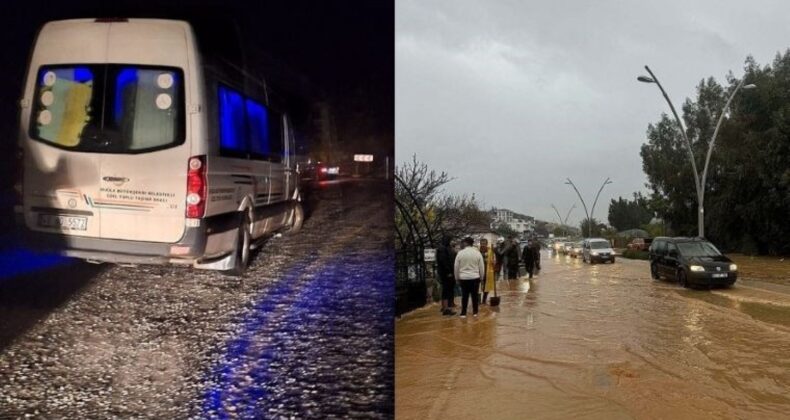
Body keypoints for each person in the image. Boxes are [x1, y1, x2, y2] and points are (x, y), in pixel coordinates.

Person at [454, 237, 485, 318]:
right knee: (475, 295)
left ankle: (463, 313)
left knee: (464, 296)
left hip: (463, 278)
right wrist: (482, 277)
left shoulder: (460, 253)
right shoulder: (477, 253)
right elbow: (481, 267)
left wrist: (457, 278)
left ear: (466, 243)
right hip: (475, 277)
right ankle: (475, 312)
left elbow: (456, 267)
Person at [436, 235, 457, 316]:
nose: (451, 242)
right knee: (446, 290)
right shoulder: (442, 249)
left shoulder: (443, 248)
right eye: (450, 240)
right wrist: (448, 272)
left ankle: (446, 307)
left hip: (445, 273)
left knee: (447, 289)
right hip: (446, 274)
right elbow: (444, 261)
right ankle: (446, 308)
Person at [479, 238, 495, 304]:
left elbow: (493, 260)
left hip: (487, 271)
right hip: (478, 271)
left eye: (484, 244)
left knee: (486, 286)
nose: (483, 245)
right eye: (481, 243)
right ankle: (478, 300)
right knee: (478, 286)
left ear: (486, 244)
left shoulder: (490, 251)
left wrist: (492, 261)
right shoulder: (477, 250)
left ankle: (484, 299)